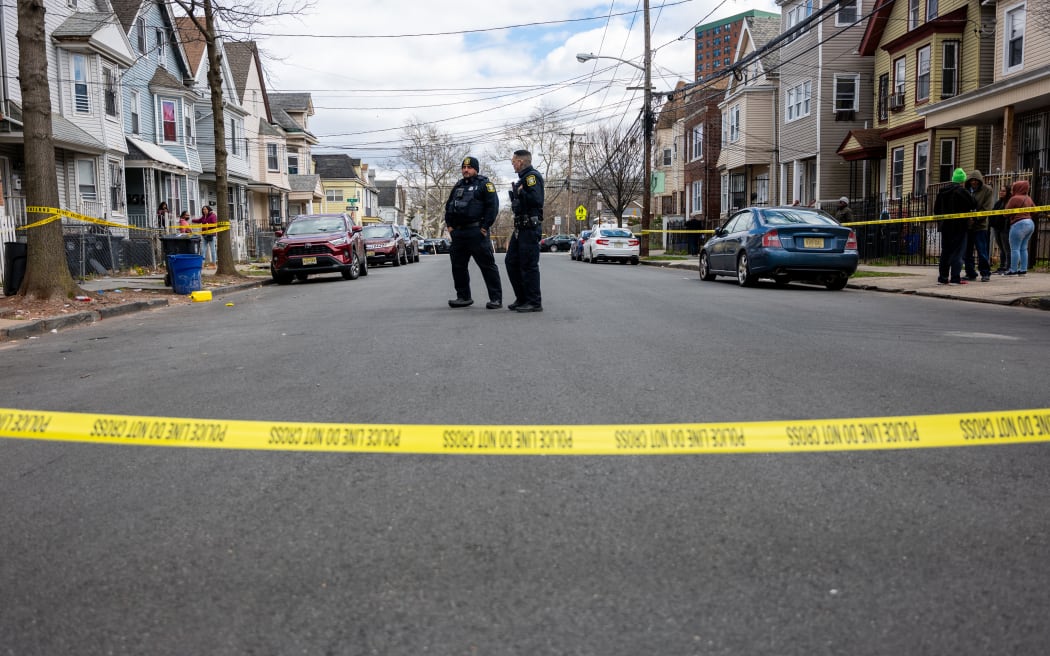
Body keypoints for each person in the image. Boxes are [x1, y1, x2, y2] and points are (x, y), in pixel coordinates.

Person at [443, 156, 502, 309]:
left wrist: (484, 227)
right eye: (463, 167)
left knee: (487, 266)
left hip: (477, 232)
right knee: (458, 266)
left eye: (469, 167)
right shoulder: (458, 186)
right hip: (459, 234)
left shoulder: (485, 185)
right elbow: (449, 207)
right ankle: (463, 297)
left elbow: (492, 207)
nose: (466, 170)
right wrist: (450, 227)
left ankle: (495, 298)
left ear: (475, 169)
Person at [506, 149, 545, 312]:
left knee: (529, 265)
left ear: (521, 162)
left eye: (514, 161)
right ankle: (522, 298)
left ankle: (534, 302)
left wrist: (521, 193)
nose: (512, 164)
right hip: (520, 227)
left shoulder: (531, 177)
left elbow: (536, 200)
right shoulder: (522, 178)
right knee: (511, 262)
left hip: (529, 227)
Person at [934, 168, 976, 285]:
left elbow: (936, 209)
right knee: (958, 252)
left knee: (945, 252)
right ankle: (955, 278)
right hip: (959, 226)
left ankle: (942, 278)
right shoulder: (962, 191)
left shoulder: (942, 192)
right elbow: (973, 203)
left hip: (945, 226)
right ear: (962, 181)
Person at [964, 170, 995, 282]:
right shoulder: (966, 190)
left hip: (980, 226)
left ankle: (985, 273)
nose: (974, 182)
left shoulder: (987, 190)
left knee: (982, 251)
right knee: (967, 252)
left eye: (976, 180)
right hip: (967, 226)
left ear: (980, 181)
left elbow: (987, 208)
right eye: (972, 180)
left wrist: (975, 218)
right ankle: (970, 273)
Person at [1004, 179, 1035, 276]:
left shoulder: (1014, 198)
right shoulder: (1028, 198)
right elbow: (1034, 210)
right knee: (1023, 248)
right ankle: (1023, 269)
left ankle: (1013, 270)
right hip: (1030, 223)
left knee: (1015, 248)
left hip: (1018, 224)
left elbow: (1005, 213)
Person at [990, 184, 1012, 274]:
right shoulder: (998, 202)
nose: (1001, 192)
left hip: (1005, 228)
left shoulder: (1009, 202)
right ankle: (1002, 266)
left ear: (1008, 192)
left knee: (1007, 248)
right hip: (997, 228)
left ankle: (1008, 266)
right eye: (1000, 190)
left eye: (1003, 191)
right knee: (1001, 248)